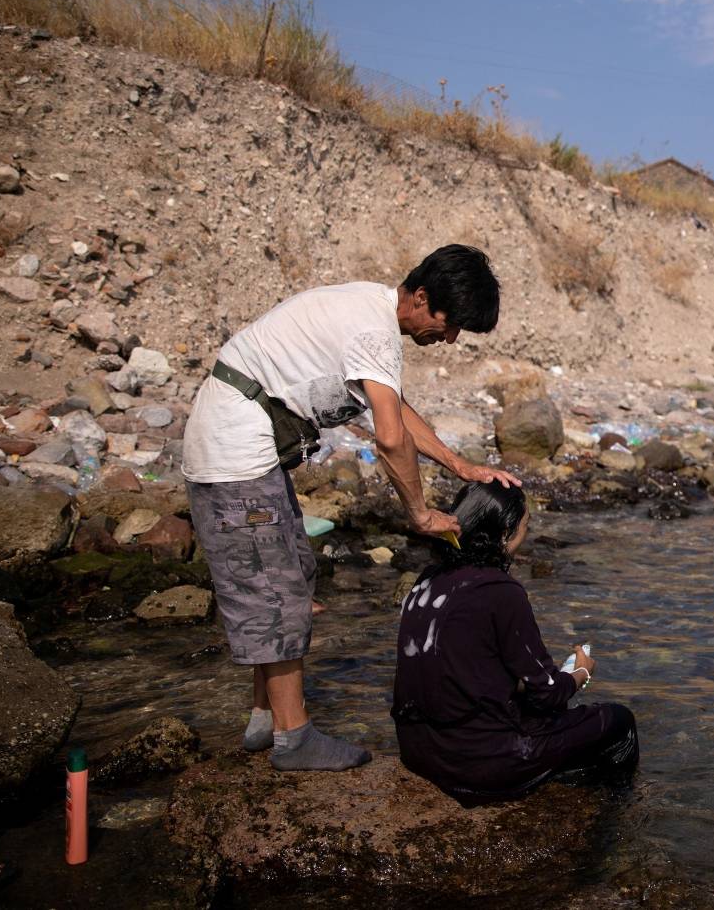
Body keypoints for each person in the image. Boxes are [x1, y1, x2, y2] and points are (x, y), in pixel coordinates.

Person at [183, 244, 519, 772]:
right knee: (276, 592)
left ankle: (264, 718)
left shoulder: (371, 307)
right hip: (234, 455)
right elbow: (389, 438)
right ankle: (294, 740)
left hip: (246, 452)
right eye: (450, 325)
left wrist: (459, 465)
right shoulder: (373, 331)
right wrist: (420, 512)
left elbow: (397, 409)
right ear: (423, 298)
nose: (450, 340)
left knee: (290, 571)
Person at [392, 482, 639, 804]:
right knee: (619, 721)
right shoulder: (500, 590)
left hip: (418, 751)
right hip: (479, 764)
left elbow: (462, 673)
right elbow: (549, 695)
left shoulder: (426, 581)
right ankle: (609, 810)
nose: (525, 537)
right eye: (525, 527)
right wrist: (581, 674)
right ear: (506, 533)